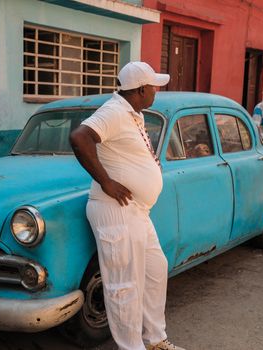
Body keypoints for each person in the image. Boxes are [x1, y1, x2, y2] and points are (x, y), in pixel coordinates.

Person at [69, 62, 184, 350]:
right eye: (154, 87)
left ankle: (155, 340)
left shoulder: (132, 114)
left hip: (136, 211)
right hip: (115, 209)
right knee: (124, 286)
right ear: (142, 89)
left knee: (154, 270)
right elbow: (79, 137)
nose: (156, 92)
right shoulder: (115, 111)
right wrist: (105, 181)